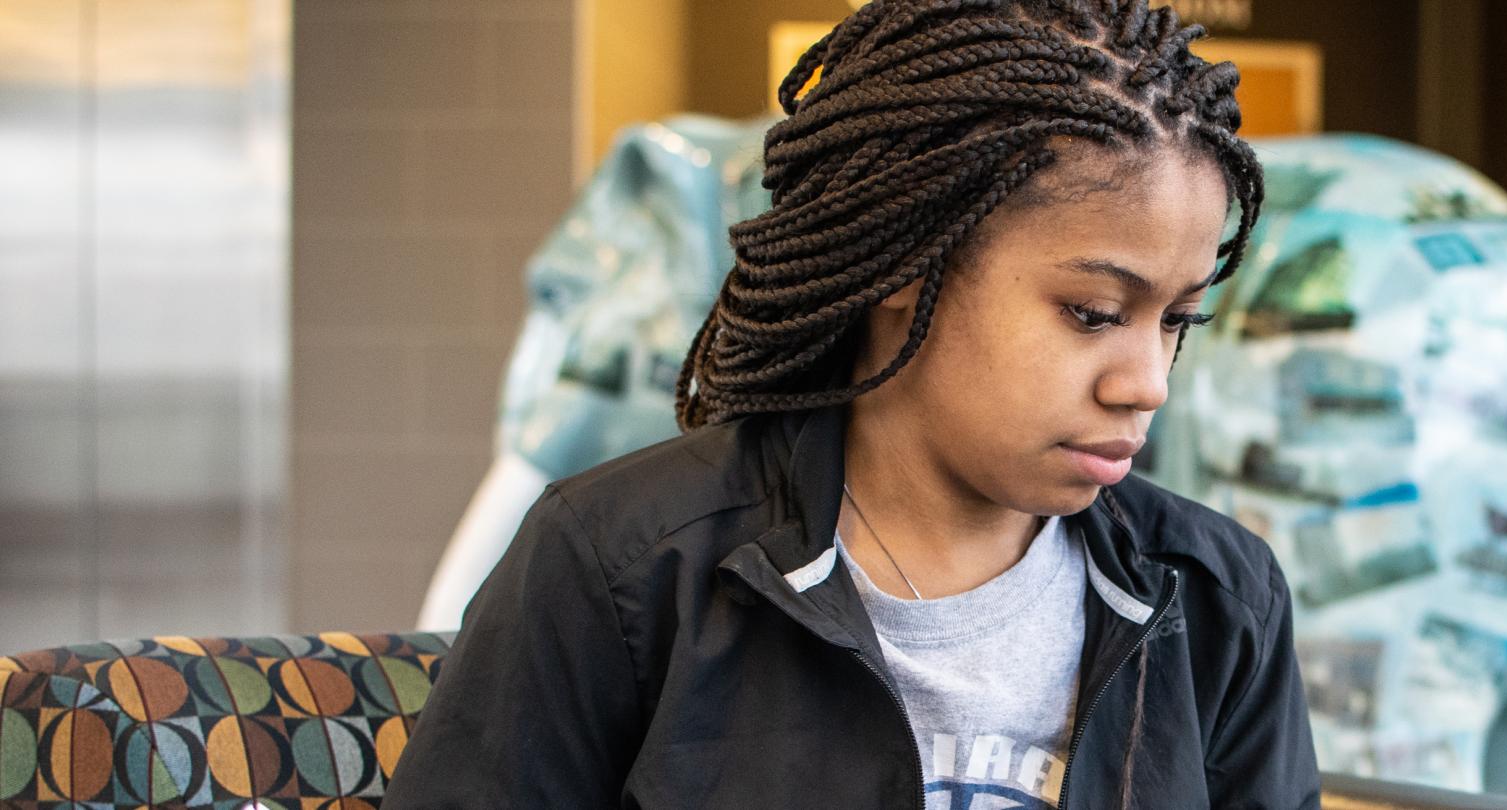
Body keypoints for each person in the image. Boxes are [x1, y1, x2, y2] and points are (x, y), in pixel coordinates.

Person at [383, 0, 1320, 807]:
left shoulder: (1220, 598)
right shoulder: (619, 565)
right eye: (1093, 313)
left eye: (1176, 322)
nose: (1146, 382)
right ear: (910, 267)